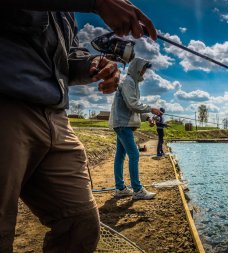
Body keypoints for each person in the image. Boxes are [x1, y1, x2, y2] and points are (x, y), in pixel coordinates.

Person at [0, 1, 157, 252]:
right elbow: (133, 103)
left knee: (80, 223)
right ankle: (130, 188)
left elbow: (68, 57)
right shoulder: (132, 85)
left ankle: (124, 188)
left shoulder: (67, 14)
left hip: (56, 116)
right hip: (8, 107)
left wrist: (95, 64)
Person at [109, 57, 161, 199]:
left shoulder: (132, 83)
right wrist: (151, 109)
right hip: (122, 124)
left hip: (121, 123)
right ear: (138, 68)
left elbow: (132, 106)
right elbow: (132, 104)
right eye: (143, 69)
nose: (144, 72)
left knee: (120, 156)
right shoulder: (128, 82)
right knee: (134, 155)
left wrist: (147, 117)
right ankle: (137, 190)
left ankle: (120, 189)